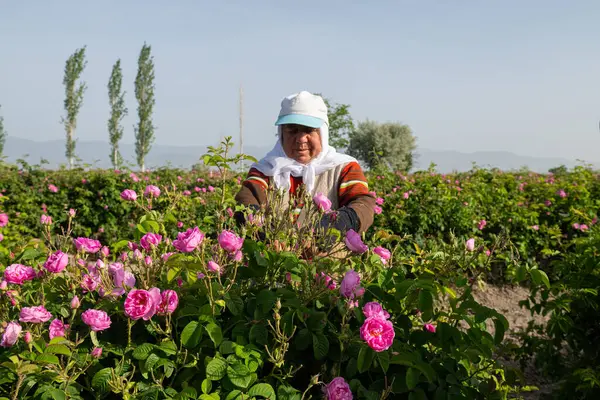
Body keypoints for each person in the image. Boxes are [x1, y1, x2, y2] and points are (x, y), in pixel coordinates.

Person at [235, 91, 376, 238]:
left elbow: (362, 204)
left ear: (322, 133)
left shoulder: (343, 168)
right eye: (292, 130)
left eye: (309, 130)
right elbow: (246, 201)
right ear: (282, 133)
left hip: (327, 259)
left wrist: (340, 222)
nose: (301, 139)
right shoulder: (266, 170)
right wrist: (266, 233)